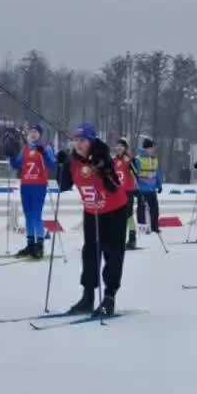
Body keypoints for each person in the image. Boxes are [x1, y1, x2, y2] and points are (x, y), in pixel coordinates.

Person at [56, 123, 129, 316]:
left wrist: (103, 169)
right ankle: (87, 297)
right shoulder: (73, 161)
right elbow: (63, 185)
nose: (79, 144)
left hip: (115, 211)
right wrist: (61, 165)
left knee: (113, 254)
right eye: (76, 140)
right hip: (92, 212)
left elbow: (114, 186)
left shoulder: (103, 156)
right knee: (90, 254)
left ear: (92, 141)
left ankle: (109, 297)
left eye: (83, 140)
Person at [7, 124, 55, 258]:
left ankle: (39, 245)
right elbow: (17, 165)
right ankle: (30, 244)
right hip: (26, 185)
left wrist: (44, 153)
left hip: (39, 185)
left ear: (40, 134)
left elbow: (51, 164)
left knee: (36, 214)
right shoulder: (26, 149)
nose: (33, 134)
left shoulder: (46, 147)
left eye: (36, 132)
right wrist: (11, 155)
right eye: (31, 132)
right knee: (28, 215)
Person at [115, 138, 141, 250]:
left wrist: (131, 163)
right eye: (118, 145)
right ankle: (118, 239)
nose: (119, 147)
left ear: (125, 148)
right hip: (117, 193)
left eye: (121, 146)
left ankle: (132, 239)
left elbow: (136, 172)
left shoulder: (130, 159)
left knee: (128, 216)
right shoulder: (114, 160)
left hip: (128, 191)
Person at [135, 138, 163, 234]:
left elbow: (158, 173)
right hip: (141, 189)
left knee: (155, 209)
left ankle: (154, 227)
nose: (153, 150)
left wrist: (159, 185)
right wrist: (135, 187)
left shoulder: (154, 159)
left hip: (151, 189)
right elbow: (134, 174)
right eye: (151, 148)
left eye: (153, 148)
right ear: (146, 148)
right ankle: (142, 227)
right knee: (141, 209)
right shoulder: (138, 159)